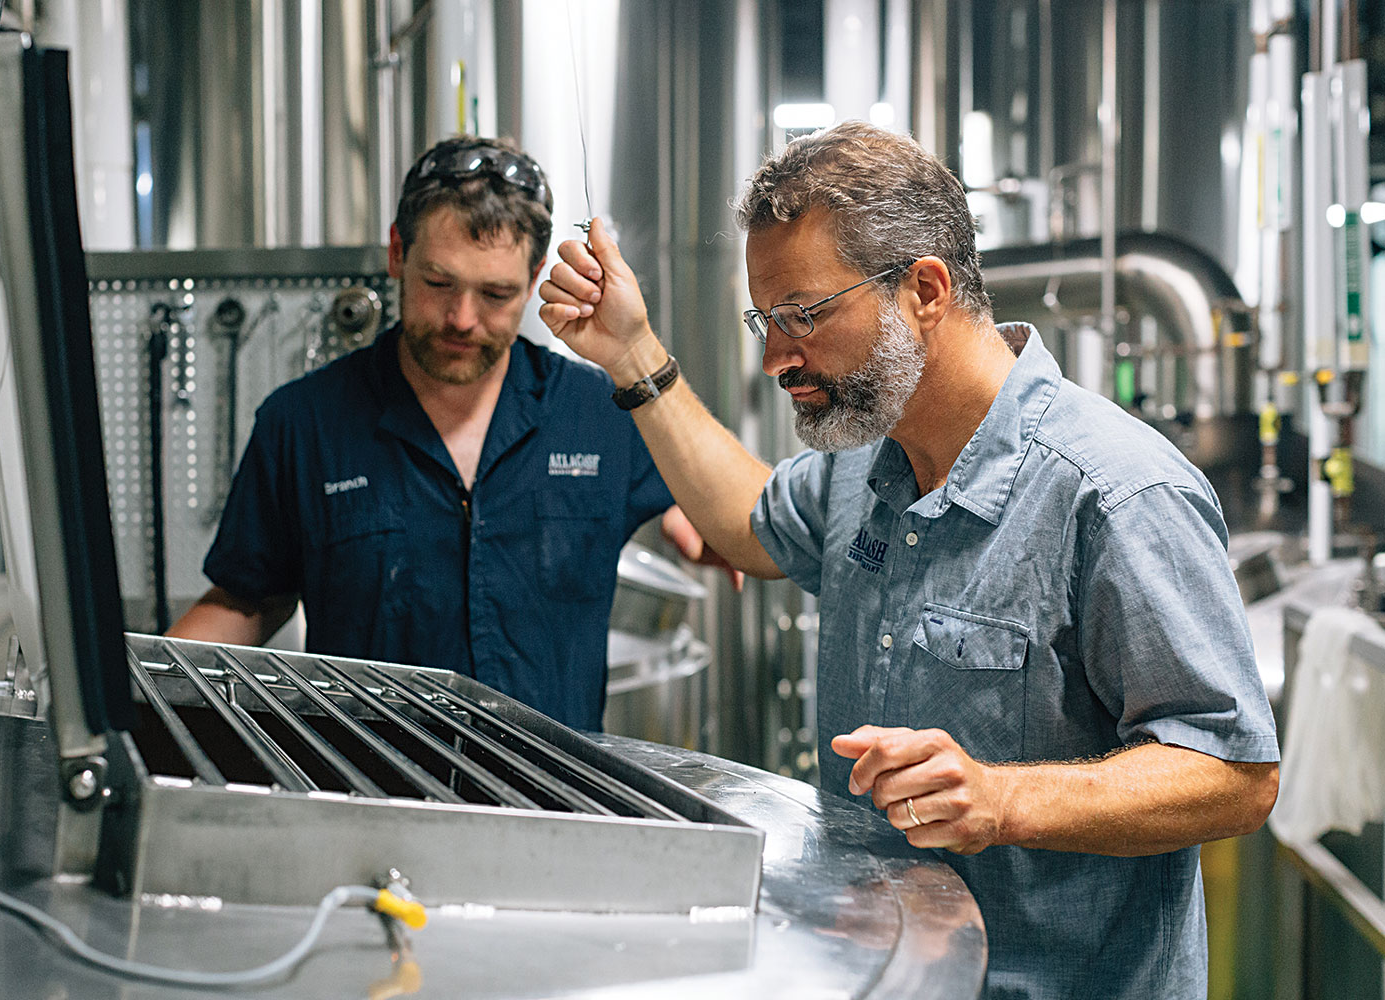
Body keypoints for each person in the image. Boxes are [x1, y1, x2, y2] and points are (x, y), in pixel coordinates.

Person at [538, 120, 1278, 1000]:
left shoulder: (1115, 492)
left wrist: (1001, 800)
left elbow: (1234, 775)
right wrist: (631, 354)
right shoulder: (866, 463)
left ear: (924, 289)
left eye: (804, 315)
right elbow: (744, 521)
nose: (777, 356)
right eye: (765, 321)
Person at [170, 135, 724, 731]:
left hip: (555, 803)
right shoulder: (303, 424)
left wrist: (705, 513)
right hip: (372, 796)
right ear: (397, 253)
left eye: (495, 294)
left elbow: (726, 519)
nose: (462, 319)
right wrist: (138, 687)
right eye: (438, 283)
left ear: (536, 277)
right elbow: (247, 599)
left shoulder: (602, 414)